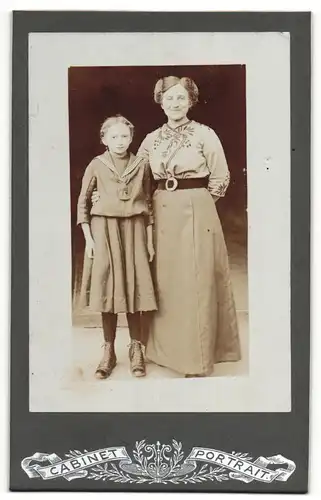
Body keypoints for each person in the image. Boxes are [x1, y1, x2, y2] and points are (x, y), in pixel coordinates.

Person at [93, 76, 241, 377]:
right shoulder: (150, 139)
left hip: (196, 208)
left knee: (195, 282)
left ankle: (196, 358)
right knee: (166, 282)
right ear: (160, 101)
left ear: (191, 101)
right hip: (159, 211)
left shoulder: (205, 134)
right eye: (169, 98)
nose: (175, 103)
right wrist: (103, 193)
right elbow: (132, 176)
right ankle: (162, 352)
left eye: (181, 98)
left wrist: (198, 205)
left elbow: (221, 178)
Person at [77, 115, 157, 380]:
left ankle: (136, 348)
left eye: (124, 136)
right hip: (104, 230)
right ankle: (108, 350)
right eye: (114, 137)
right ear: (104, 139)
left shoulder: (142, 164)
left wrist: (150, 239)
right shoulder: (96, 165)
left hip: (134, 229)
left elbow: (148, 204)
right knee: (109, 289)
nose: (120, 142)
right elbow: (83, 203)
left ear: (132, 138)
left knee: (134, 288)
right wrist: (89, 240)